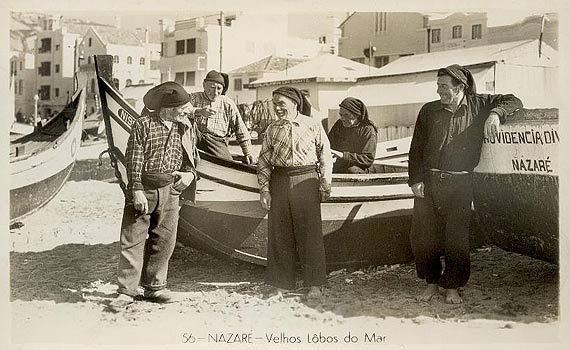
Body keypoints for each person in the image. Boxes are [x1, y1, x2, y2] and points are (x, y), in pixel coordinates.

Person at [408, 64, 522, 304]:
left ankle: (452, 287)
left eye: (443, 86)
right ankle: (431, 284)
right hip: (429, 182)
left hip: (460, 183)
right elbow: (416, 148)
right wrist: (415, 180)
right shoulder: (429, 111)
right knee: (424, 238)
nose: (438, 90)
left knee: (456, 239)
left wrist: (495, 114)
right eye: (438, 85)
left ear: (460, 87)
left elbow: (514, 100)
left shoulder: (479, 105)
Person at [111, 81, 199, 309]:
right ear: (169, 107)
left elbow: (192, 158)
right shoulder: (144, 124)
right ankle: (126, 292)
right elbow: (134, 159)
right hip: (144, 189)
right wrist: (137, 189)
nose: (185, 110)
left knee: (165, 240)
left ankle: (154, 288)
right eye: (182, 106)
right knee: (133, 239)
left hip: (170, 190)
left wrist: (189, 175)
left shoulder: (185, 127)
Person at [257, 86, 333, 299]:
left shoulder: (312, 125)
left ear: (294, 103)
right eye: (275, 104)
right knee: (279, 233)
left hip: (307, 181)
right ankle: (282, 285)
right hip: (279, 181)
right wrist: (264, 189)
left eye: (281, 103)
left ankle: (315, 285)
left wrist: (325, 184)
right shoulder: (272, 129)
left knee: (310, 234)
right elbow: (263, 160)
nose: (277, 108)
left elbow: (325, 155)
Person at [186, 70, 255, 163]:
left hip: (215, 142)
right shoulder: (193, 98)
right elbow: (181, 110)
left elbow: (240, 128)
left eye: (219, 88)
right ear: (204, 85)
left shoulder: (227, 103)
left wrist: (248, 153)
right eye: (212, 87)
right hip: (194, 138)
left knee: (227, 164)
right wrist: (198, 111)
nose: (215, 92)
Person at [328, 97, 377, 173]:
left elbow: (367, 159)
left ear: (356, 115)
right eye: (341, 115)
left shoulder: (368, 130)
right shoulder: (339, 125)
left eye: (346, 115)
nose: (343, 118)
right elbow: (328, 144)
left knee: (351, 170)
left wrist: (343, 155)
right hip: (338, 164)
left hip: (359, 169)